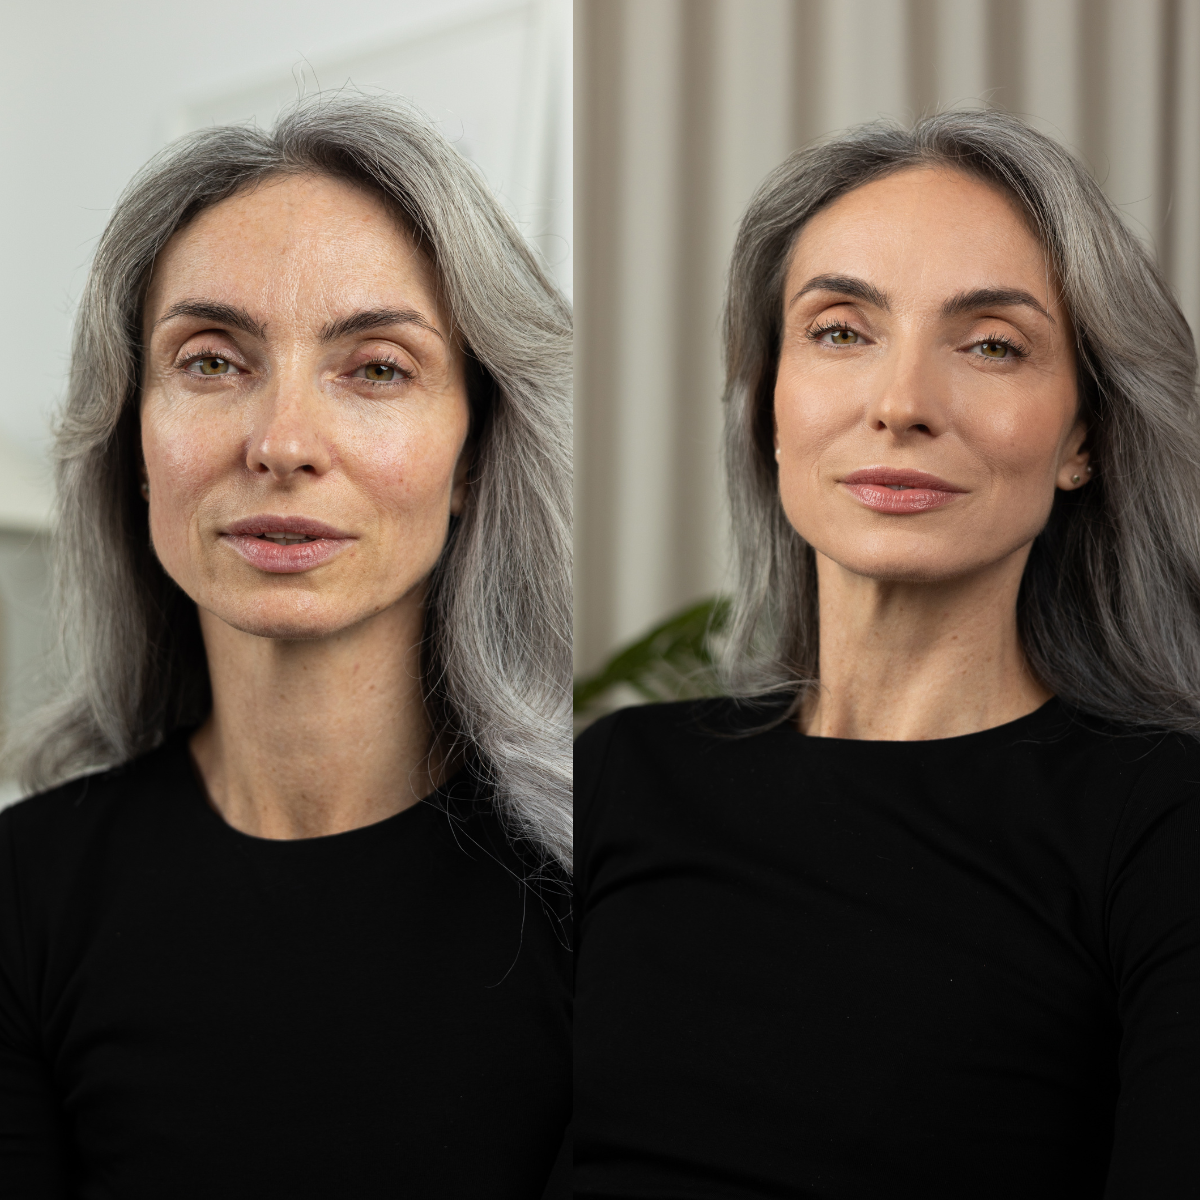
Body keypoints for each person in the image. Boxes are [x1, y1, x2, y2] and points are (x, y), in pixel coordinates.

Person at [574, 109, 1200, 1198]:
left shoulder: (1164, 826)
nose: (902, 404)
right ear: (769, 406)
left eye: (992, 345)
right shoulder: (615, 777)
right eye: (840, 331)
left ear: (1085, 438)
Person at [0, 95, 571, 1199]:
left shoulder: (627, 894)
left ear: (474, 457)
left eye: (377, 369)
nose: (283, 445)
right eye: (212, 363)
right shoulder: (25, 897)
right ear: (132, 441)